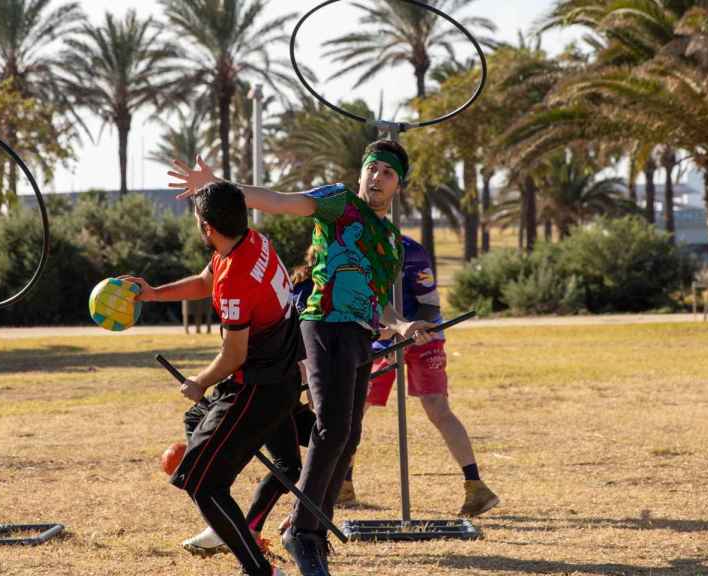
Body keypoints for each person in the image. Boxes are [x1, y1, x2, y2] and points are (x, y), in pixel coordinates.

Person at [169, 140, 434, 576]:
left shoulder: (390, 241)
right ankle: (304, 534)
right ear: (360, 174)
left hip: (361, 334)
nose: (376, 177)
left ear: (398, 185)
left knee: (347, 437)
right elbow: (277, 201)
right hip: (324, 322)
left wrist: (402, 325)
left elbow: (376, 301)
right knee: (330, 428)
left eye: (386, 173)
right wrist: (215, 187)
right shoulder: (339, 203)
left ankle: (306, 526)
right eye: (371, 169)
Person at [123, 181, 303, 576]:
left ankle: (258, 569)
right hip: (281, 379)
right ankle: (254, 533)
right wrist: (153, 294)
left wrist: (199, 382)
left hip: (257, 389)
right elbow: (206, 281)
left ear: (206, 227)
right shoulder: (253, 241)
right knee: (284, 466)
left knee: (201, 482)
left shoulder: (237, 277)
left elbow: (234, 354)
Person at [343, 235, 500, 517]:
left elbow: (430, 304)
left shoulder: (412, 251)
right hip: (380, 340)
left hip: (424, 336)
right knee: (355, 410)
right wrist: (386, 338)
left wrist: (415, 330)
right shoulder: (354, 246)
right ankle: (343, 486)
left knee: (438, 408)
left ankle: (476, 486)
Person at [180, 248, 318, 556]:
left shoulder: (284, 277)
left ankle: (247, 526)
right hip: (267, 389)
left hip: (282, 389)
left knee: (307, 454)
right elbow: (301, 351)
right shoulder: (307, 293)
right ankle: (235, 526)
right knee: (201, 434)